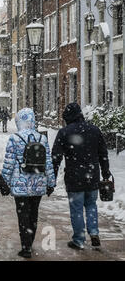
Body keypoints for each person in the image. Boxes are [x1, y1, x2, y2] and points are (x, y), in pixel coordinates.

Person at [52, 103, 110, 250]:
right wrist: (105, 171)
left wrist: (51, 175)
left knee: (76, 208)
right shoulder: (94, 130)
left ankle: (79, 239)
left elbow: (56, 157)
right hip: (92, 175)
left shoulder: (64, 132)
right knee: (91, 205)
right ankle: (94, 232)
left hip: (74, 176)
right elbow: (103, 153)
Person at [1, 108, 56, 258]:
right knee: (33, 215)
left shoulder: (15, 138)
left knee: (23, 215)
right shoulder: (42, 139)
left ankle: (26, 246)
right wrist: (51, 183)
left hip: (20, 185)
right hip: (38, 184)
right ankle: (29, 242)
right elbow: (48, 163)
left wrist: (3, 183)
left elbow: (9, 163)